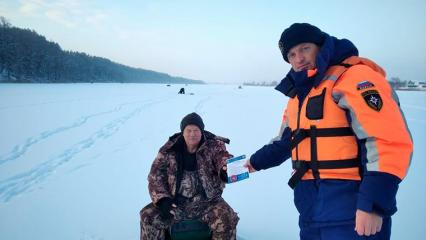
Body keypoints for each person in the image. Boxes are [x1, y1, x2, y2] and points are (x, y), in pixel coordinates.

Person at [244, 23, 413, 239]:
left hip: (351, 209)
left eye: (305, 48)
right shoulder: (299, 96)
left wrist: (373, 204)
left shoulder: (354, 77)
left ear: (321, 46)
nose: (298, 58)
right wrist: (253, 163)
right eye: (291, 54)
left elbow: (387, 140)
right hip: (310, 208)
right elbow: (287, 141)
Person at [140, 112, 239, 240]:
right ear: (183, 132)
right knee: (147, 216)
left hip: (208, 203)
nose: (192, 134)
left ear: (202, 131)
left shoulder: (213, 145)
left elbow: (223, 157)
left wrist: (226, 168)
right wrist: (163, 200)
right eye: (189, 130)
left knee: (228, 218)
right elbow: (155, 175)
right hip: (175, 203)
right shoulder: (169, 149)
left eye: (196, 130)